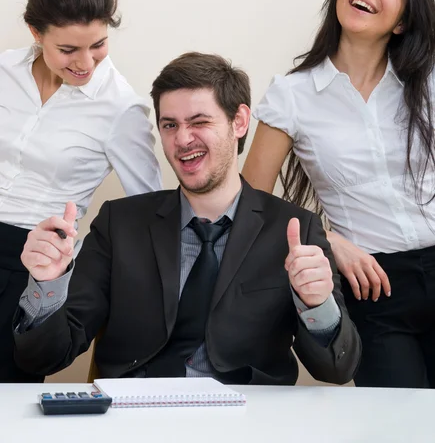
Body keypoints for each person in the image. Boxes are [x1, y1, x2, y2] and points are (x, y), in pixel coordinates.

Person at [13, 52, 360, 385]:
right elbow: (44, 359)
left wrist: (317, 303)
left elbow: (337, 369)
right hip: (136, 416)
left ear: (239, 121)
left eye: (199, 122)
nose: (182, 139)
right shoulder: (119, 224)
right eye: (169, 125)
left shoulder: (296, 230)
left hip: (248, 419)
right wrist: (47, 287)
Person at [243, 0, 435, 388]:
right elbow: (252, 201)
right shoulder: (292, 95)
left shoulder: (427, 83)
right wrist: (329, 241)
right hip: (373, 285)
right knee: (399, 425)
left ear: (403, 21)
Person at [0, 0, 162, 382]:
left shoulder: (120, 107)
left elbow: (150, 204)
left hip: (29, 262)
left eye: (99, 45)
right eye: (68, 49)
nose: (86, 63)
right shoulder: (3, 71)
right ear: (36, 33)